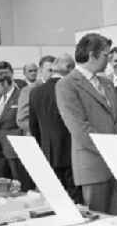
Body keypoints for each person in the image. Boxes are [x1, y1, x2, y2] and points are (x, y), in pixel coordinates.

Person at [56, 33, 117, 215]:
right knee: (101, 224)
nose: (110, 60)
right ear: (92, 55)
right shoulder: (67, 85)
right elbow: (79, 128)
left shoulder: (106, 83)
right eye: (106, 55)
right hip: (93, 164)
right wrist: (113, 149)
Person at [29, 54, 81, 204]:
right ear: (70, 68)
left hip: (49, 152)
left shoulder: (35, 92)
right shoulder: (72, 89)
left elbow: (34, 126)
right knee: (75, 199)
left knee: (55, 200)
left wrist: (44, 146)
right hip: (72, 151)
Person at [0, 71, 33, 190]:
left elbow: (24, 119)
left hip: (15, 145)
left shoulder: (20, 95)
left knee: (20, 181)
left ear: (5, 83)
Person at [16, 55, 55, 135]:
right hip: (40, 137)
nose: (53, 74)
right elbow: (22, 120)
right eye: (50, 70)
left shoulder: (60, 87)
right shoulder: (29, 90)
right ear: (41, 71)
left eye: (55, 71)